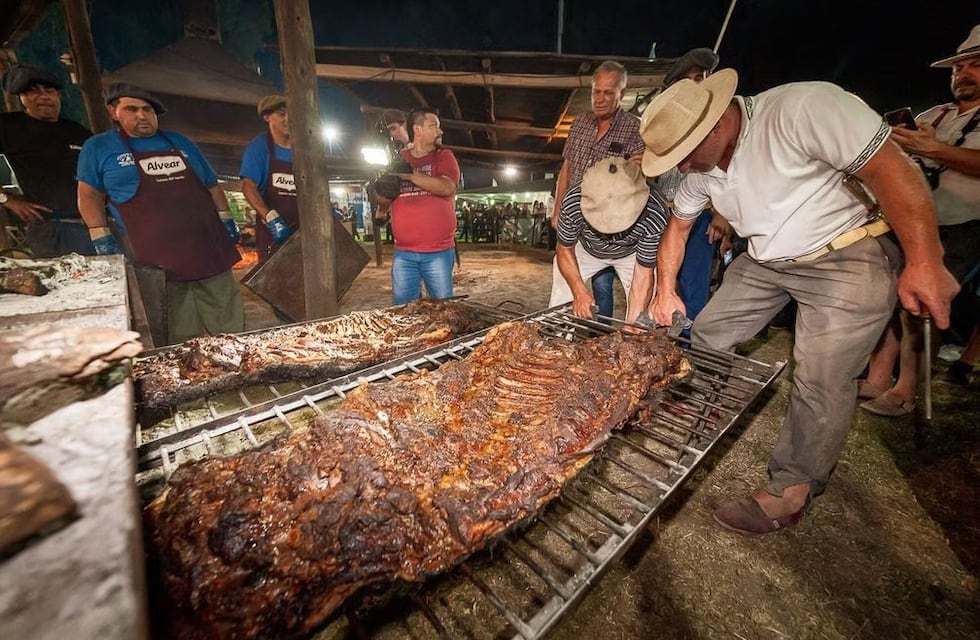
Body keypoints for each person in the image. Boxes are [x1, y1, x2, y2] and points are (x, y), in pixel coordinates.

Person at [641, 69, 959, 535]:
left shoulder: (803, 108)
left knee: (820, 375)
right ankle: (705, 402)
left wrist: (925, 259)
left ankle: (792, 488)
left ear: (713, 127)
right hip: (766, 258)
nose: (681, 169)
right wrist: (665, 288)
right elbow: (679, 228)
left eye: (682, 156)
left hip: (846, 252)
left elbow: (892, 169)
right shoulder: (700, 172)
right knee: (710, 330)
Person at [860, 25, 980, 411]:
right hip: (909, 219)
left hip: (961, 225)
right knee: (889, 296)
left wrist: (935, 149)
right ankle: (878, 376)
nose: (963, 74)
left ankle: (907, 390)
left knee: (923, 304)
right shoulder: (936, 114)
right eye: (957, 68)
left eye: (975, 65)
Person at [77, 83, 243, 345]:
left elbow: (211, 184)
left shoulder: (179, 142)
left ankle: (240, 359)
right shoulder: (99, 147)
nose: (142, 115)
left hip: (207, 246)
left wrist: (226, 216)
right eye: (132, 109)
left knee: (227, 315)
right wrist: (99, 234)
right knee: (176, 327)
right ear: (113, 111)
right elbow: (89, 195)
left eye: (148, 110)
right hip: (156, 258)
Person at [551, 60, 645, 321]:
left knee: (629, 292)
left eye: (608, 92)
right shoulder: (579, 123)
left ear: (621, 94)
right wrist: (558, 207)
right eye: (596, 92)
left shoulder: (634, 127)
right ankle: (560, 338)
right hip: (578, 221)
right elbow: (567, 168)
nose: (600, 99)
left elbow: (641, 173)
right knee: (563, 279)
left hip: (619, 229)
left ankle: (617, 333)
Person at [653, 48, 732, 323]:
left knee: (693, 286)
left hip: (701, 214)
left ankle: (690, 346)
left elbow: (728, 169)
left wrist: (722, 213)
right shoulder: (664, 118)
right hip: (664, 210)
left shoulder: (719, 116)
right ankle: (662, 342)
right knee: (661, 281)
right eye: (689, 80)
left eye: (700, 78)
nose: (696, 85)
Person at [550, 156, 668, 324]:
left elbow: (644, 273)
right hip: (586, 249)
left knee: (643, 318)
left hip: (631, 253)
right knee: (562, 295)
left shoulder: (654, 210)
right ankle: (557, 340)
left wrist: (634, 324)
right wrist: (578, 291)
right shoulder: (572, 201)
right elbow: (564, 250)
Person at [0, 64, 95, 257]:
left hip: (93, 226)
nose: (44, 96)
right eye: (33, 92)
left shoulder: (76, 130)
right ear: (22, 98)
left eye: (50, 91)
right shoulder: (9, 127)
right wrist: (6, 199)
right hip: (51, 230)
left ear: (58, 96)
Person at [388, 107, 460, 304]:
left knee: (443, 310)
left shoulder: (444, 156)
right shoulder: (399, 158)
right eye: (434, 126)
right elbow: (385, 200)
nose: (440, 131)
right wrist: (383, 190)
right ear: (417, 129)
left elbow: (446, 187)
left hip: (438, 251)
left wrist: (410, 174)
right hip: (404, 252)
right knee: (403, 311)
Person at [239, 94, 295, 261]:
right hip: (274, 231)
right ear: (267, 117)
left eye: (291, 113)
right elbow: (248, 186)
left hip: (304, 226)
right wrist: (270, 217)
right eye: (281, 114)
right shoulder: (259, 147)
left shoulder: (304, 147)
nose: (288, 119)